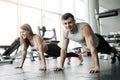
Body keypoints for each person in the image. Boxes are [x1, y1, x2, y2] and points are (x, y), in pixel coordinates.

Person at [54, 13, 120, 73]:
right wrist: (61, 66)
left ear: (74, 21)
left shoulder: (84, 28)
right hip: (88, 48)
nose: (68, 25)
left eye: (70, 22)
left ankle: (117, 52)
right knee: (103, 52)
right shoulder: (66, 33)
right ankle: (114, 54)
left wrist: (96, 67)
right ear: (63, 24)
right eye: (65, 23)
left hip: (99, 42)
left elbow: (92, 46)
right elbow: (63, 49)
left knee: (109, 50)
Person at [15, 23, 83, 71]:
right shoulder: (26, 41)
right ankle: (69, 57)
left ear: (29, 31)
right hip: (48, 52)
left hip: (52, 47)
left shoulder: (36, 37)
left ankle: (78, 55)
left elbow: (41, 52)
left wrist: (44, 66)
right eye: (20, 32)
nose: (22, 34)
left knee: (64, 55)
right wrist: (21, 65)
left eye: (23, 31)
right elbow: (24, 52)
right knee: (64, 55)